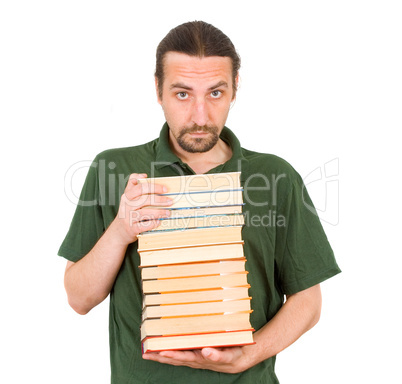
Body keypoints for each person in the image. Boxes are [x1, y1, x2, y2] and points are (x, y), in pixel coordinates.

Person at [59, 21, 341, 384]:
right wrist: (120, 231)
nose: (200, 116)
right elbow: (78, 299)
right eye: (182, 94)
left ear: (235, 89)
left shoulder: (278, 176)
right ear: (158, 90)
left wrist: (248, 356)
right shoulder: (113, 169)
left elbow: (308, 301)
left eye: (215, 93)